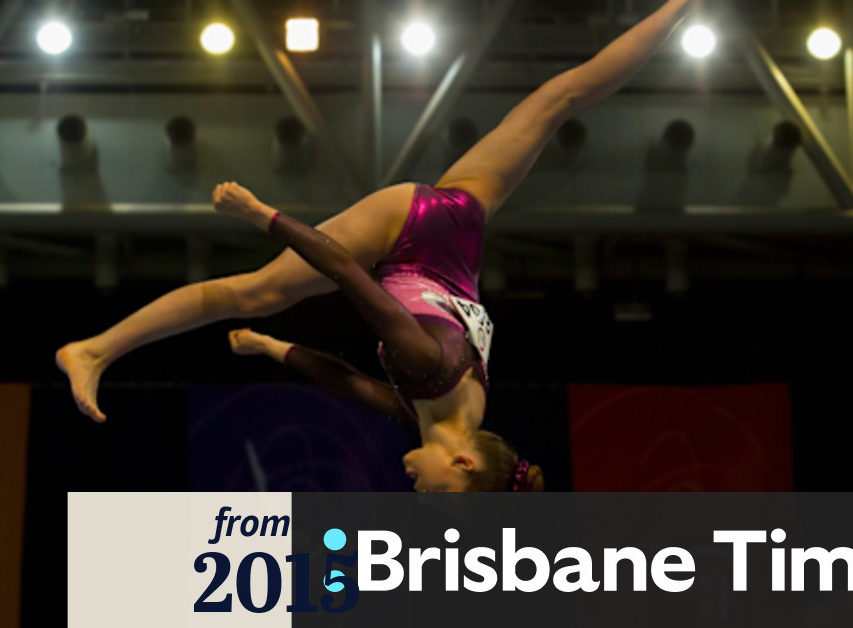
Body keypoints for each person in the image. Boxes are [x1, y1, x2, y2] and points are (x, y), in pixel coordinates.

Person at [56, 0, 695, 490]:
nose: (420, 493)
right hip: (414, 228)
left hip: (459, 234)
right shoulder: (426, 368)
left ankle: (678, 6)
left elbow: (344, 383)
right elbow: (344, 273)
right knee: (259, 290)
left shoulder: (443, 416)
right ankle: (93, 348)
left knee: (562, 96)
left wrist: (270, 347)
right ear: (465, 463)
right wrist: (261, 213)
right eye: (442, 495)